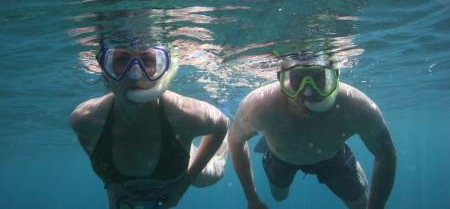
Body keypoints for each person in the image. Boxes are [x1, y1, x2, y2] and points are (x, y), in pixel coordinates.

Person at [70, 41, 230, 209]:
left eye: (147, 61)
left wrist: (184, 183)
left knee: (210, 177)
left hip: (182, 161)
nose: (135, 74)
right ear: (105, 71)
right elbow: (84, 136)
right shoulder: (85, 119)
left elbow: (220, 126)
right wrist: (110, 185)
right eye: (121, 60)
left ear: (162, 71)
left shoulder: (183, 114)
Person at [229, 52, 397, 209]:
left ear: (335, 76)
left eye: (318, 77)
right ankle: (270, 141)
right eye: (296, 78)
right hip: (281, 158)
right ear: (281, 78)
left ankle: (347, 156)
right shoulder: (259, 107)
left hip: (332, 157)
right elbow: (235, 140)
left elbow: (387, 154)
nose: (307, 92)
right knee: (279, 196)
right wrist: (252, 198)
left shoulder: (359, 107)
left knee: (361, 204)